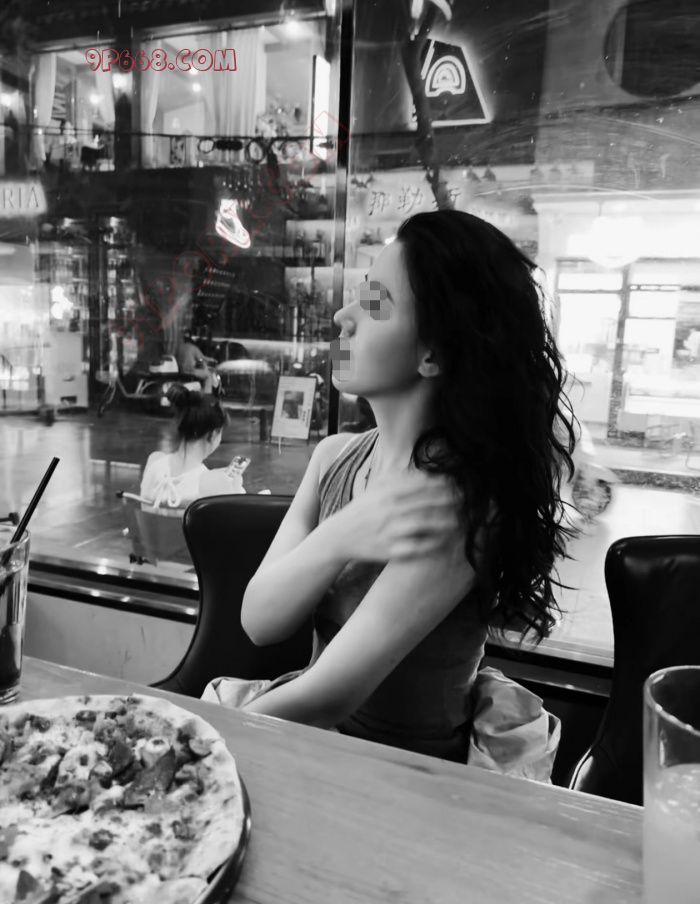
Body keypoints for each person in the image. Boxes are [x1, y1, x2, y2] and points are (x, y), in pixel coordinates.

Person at [210, 211, 576, 769]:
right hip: (319, 742)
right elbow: (259, 621)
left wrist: (206, 743)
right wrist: (344, 533)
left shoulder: (456, 501)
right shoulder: (335, 457)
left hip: (406, 776)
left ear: (433, 353)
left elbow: (328, 695)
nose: (343, 316)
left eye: (375, 303)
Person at [140, 385, 245, 511]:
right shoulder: (212, 482)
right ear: (213, 434)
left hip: (150, 524)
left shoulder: (154, 461)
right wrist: (234, 486)